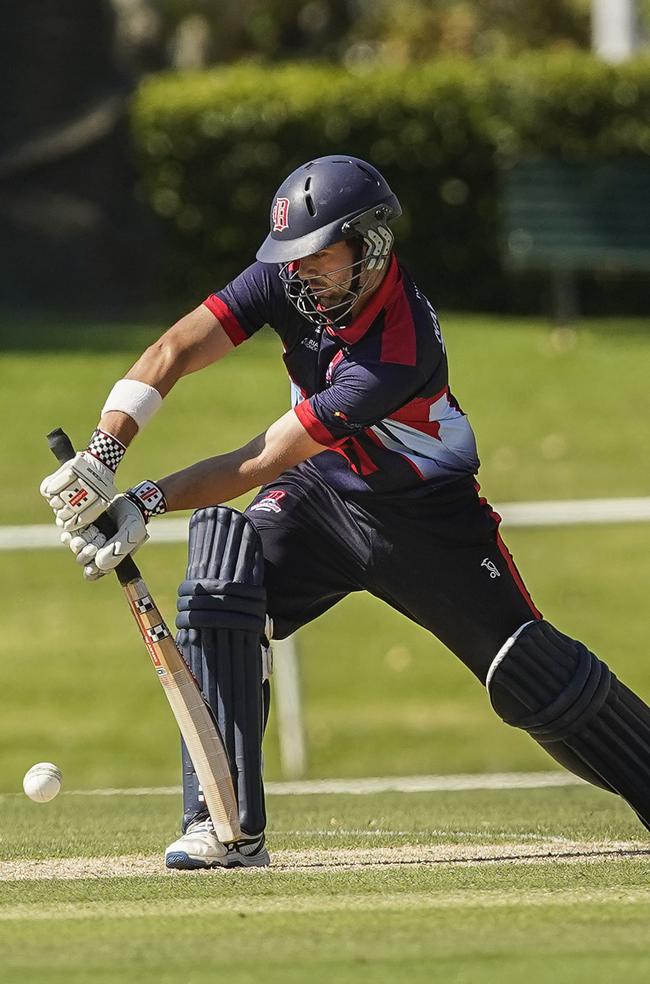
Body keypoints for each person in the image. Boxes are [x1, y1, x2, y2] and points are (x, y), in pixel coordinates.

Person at [40, 154, 650, 869]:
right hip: (319, 494)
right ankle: (224, 825)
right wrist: (102, 456)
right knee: (220, 586)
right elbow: (173, 349)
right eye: (291, 259)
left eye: (318, 258)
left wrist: (146, 501)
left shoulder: (398, 349)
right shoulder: (285, 280)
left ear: (370, 245)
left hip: (426, 518)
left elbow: (262, 458)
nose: (299, 274)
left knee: (530, 673)